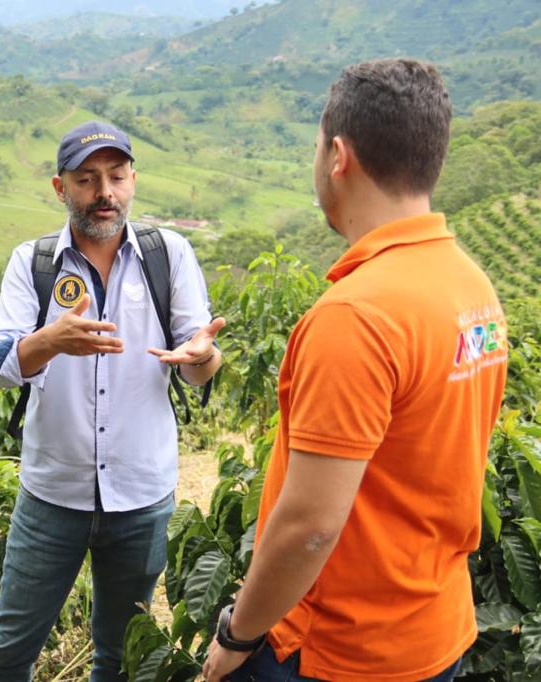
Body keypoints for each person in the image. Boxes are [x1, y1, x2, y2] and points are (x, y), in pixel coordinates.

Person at [203, 59, 508, 682]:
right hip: (434, 631)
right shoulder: (471, 286)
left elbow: (310, 528)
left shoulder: (356, 316)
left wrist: (238, 633)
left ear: (338, 156)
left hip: (340, 650)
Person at [0, 121, 225, 681]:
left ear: (133, 179)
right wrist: (50, 340)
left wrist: (202, 356)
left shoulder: (169, 255)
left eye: (116, 176)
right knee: (8, 655)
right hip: (52, 495)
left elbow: (199, 363)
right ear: (60, 188)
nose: (104, 193)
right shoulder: (34, 262)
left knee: (120, 659)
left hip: (142, 497)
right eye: (87, 179)